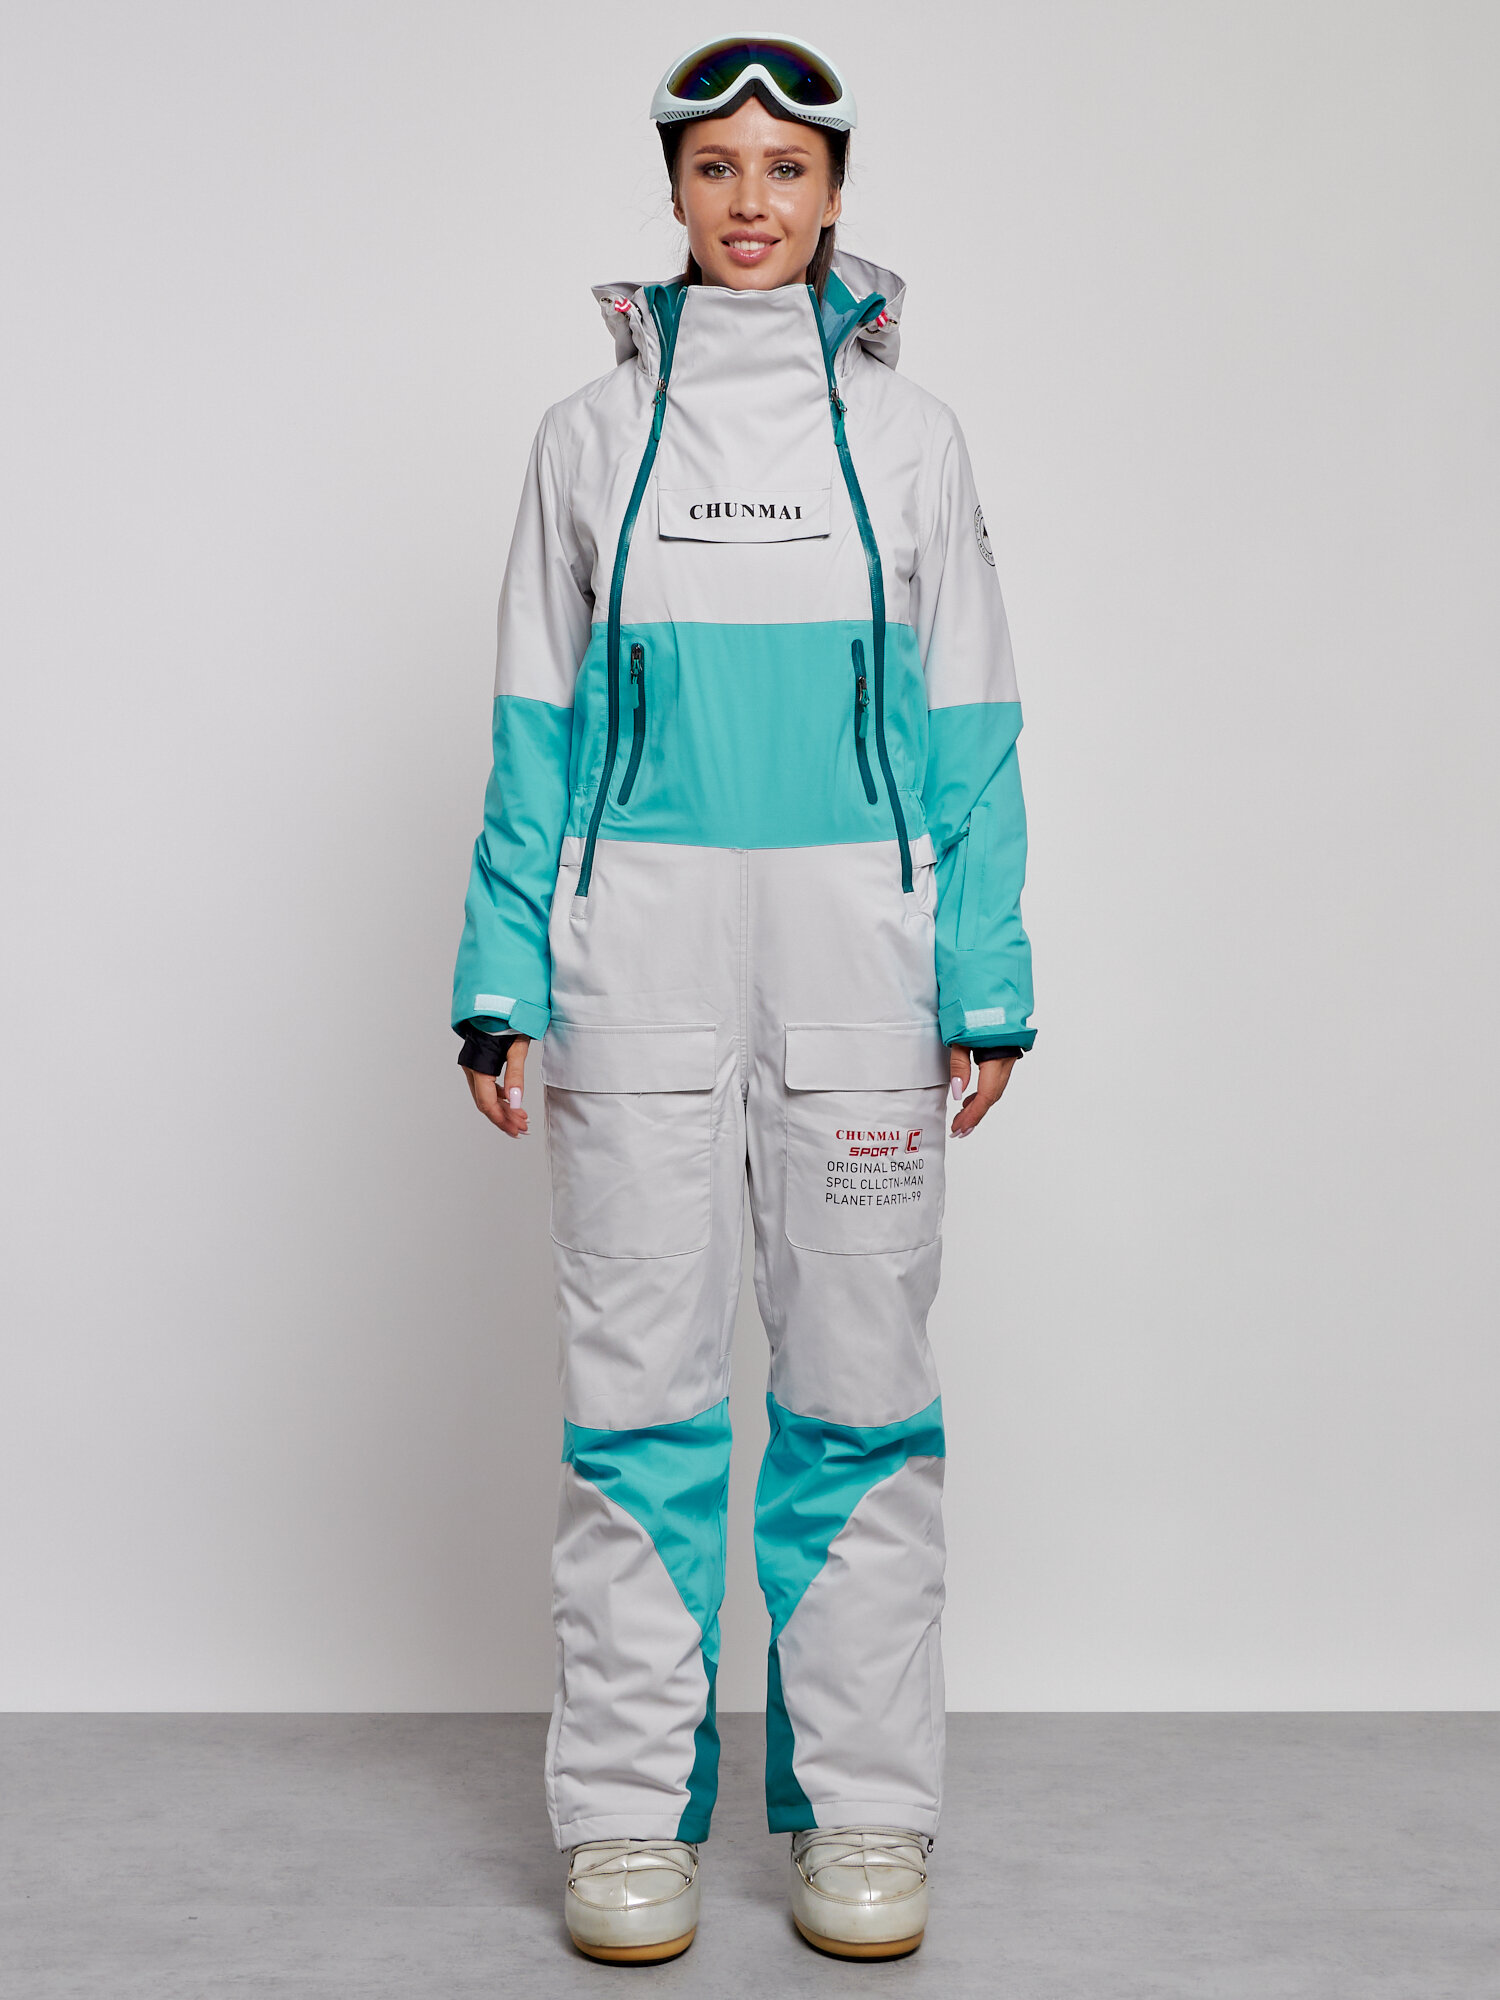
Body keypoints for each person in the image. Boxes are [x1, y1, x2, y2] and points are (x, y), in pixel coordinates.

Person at [452, 33, 1035, 1965]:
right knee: (638, 1403)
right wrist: (501, 970)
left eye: (787, 168)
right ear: (676, 192)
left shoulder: (918, 438)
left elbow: (974, 730)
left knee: (861, 1392)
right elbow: (535, 725)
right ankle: (629, 1821)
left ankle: (864, 1812)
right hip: (636, 968)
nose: (753, 201)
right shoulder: (585, 438)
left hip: (860, 971)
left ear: (838, 193)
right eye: (718, 168)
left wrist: (985, 976)